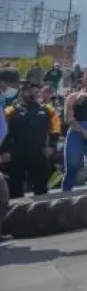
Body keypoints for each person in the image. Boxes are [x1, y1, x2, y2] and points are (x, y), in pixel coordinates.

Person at [1, 71, 60, 199]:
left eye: (35, 91)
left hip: (39, 153)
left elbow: (55, 129)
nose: (32, 93)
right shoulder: (10, 110)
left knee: (41, 188)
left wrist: (51, 146)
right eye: (28, 91)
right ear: (22, 92)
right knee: (15, 189)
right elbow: (3, 132)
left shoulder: (48, 110)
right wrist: (3, 151)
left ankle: (43, 214)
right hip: (16, 154)